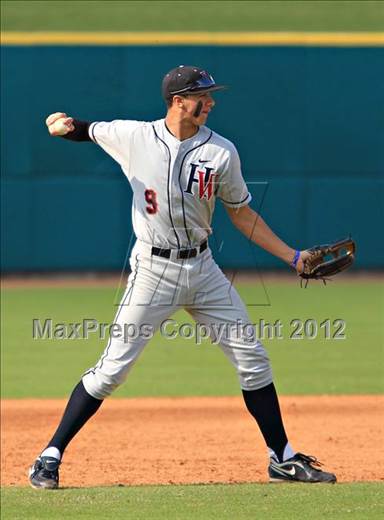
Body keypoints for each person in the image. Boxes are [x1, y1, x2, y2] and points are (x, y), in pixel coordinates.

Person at [29, 65, 336, 489]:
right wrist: (64, 125)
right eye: (202, 96)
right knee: (111, 371)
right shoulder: (135, 137)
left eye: (210, 95)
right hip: (153, 271)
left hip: (204, 269)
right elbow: (88, 130)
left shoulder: (222, 152)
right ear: (177, 101)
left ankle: (281, 458)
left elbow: (242, 214)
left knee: (253, 359)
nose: (210, 102)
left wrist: (293, 257)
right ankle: (49, 456)